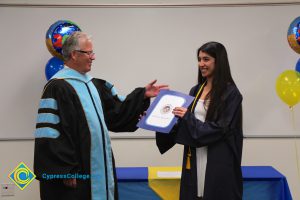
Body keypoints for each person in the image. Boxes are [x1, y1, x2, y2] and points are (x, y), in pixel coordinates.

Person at [34, 31, 168, 200]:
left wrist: (142, 95)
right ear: (74, 55)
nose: (93, 57)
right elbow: (50, 132)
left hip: (100, 171)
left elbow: (116, 114)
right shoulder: (57, 87)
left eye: (92, 52)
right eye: (89, 53)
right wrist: (64, 170)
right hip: (76, 173)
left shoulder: (94, 85)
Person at [156, 41, 243, 200]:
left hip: (218, 159)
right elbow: (185, 125)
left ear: (219, 61)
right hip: (195, 157)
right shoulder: (196, 90)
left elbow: (219, 129)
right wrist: (159, 119)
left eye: (206, 59)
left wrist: (187, 116)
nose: (201, 64)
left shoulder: (231, 94)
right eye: (199, 59)